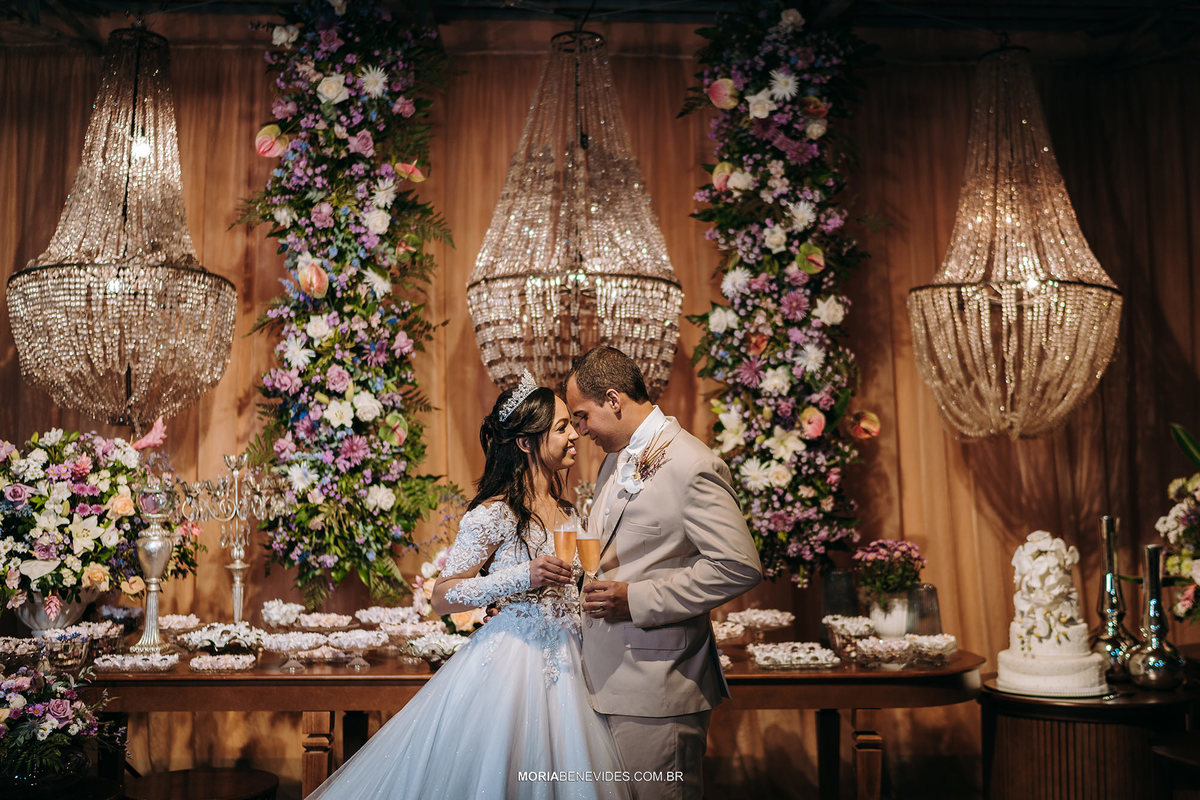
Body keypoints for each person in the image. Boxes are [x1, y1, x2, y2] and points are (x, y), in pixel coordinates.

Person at [308, 371, 632, 800]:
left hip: (574, 663)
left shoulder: (570, 513)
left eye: (572, 424)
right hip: (511, 666)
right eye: (561, 427)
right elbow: (441, 597)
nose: (575, 434)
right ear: (524, 442)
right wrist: (521, 576)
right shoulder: (493, 514)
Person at [564, 346, 763, 800]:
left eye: (581, 416)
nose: (579, 431)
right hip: (607, 679)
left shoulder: (692, 464)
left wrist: (635, 599)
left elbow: (738, 566)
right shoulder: (616, 457)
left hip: (660, 683)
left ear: (613, 400)